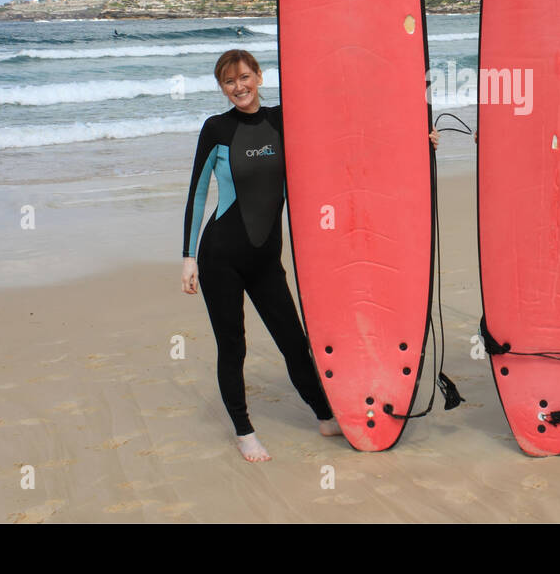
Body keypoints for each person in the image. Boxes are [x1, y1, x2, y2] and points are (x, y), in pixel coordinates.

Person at [182, 49, 438, 461]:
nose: (238, 87)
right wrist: (188, 256)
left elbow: (347, 132)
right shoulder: (215, 129)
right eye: (229, 82)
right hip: (220, 258)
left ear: (259, 77)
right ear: (222, 88)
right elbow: (196, 192)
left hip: (265, 260)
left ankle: (323, 415)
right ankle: (244, 431)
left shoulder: (281, 121)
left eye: (244, 77)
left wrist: (414, 138)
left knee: (294, 343)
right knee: (233, 347)